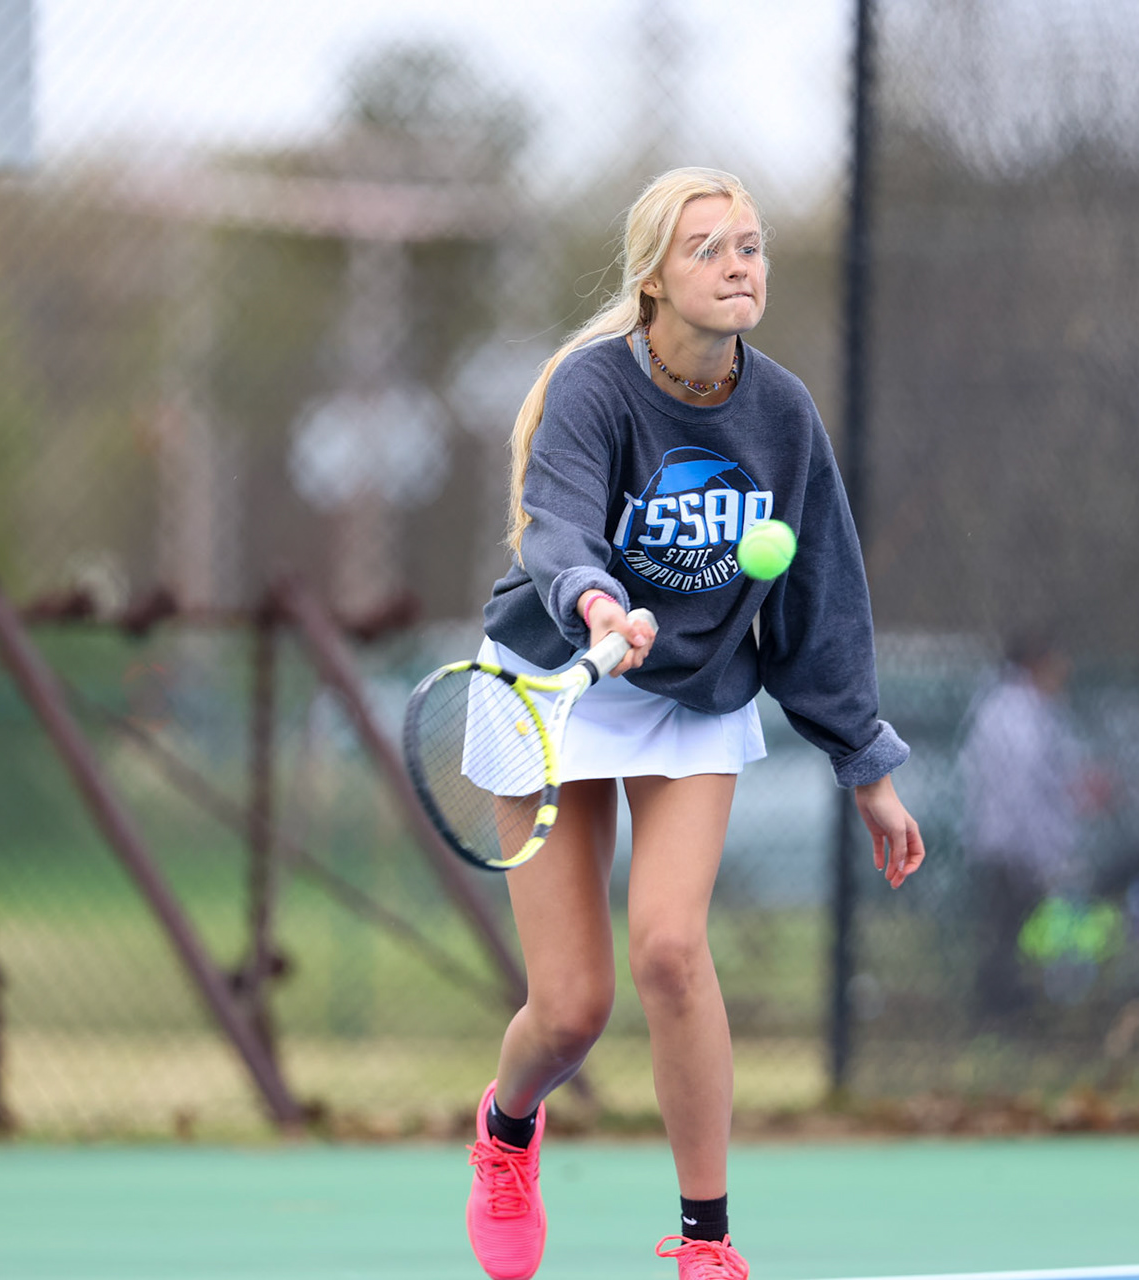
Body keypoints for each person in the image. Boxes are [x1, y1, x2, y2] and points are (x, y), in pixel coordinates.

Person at [462, 167, 925, 1280]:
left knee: (673, 949)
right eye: (708, 248)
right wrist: (594, 601)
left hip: (694, 695)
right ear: (655, 280)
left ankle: (708, 1242)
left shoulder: (782, 417)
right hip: (554, 682)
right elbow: (556, 521)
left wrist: (867, 764)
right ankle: (507, 1127)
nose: (737, 265)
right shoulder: (592, 389)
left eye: (751, 246)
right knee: (570, 1009)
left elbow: (821, 602)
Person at [958, 632, 1103, 1021]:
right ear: (1037, 663)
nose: (1064, 672)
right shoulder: (1016, 714)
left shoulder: (1025, 709)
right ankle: (1000, 1009)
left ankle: (1010, 1005)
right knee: (1007, 930)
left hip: (1015, 842)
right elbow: (1023, 789)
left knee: (1010, 929)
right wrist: (1045, 850)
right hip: (1014, 844)